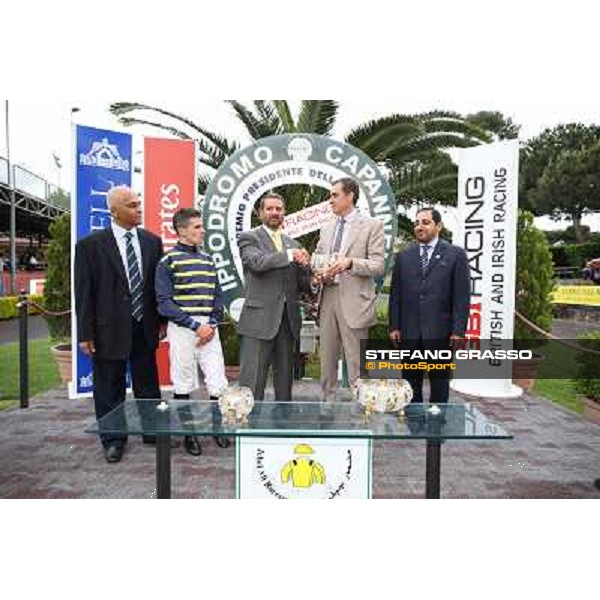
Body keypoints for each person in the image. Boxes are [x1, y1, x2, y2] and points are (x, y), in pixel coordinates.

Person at [74, 185, 164, 464]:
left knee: (148, 384)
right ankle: (113, 439)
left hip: (144, 325)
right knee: (109, 387)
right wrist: (86, 332)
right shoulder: (89, 246)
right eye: (132, 205)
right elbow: (84, 293)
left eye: (139, 203)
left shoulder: (152, 241)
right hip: (107, 329)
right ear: (114, 211)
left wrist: (160, 320)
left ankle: (153, 431)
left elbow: (156, 286)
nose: (139, 208)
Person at [155, 208, 230, 455]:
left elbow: (218, 297)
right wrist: (196, 326)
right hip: (183, 328)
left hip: (209, 327)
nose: (203, 230)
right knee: (183, 382)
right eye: (197, 226)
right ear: (182, 230)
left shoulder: (209, 260)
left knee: (217, 381)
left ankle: (218, 430)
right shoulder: (168, 261)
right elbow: (164, 302)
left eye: (202, 225)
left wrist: (211, 324)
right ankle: (189, 435)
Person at [388, 207, 470, 404]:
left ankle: (437, 430)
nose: (419, 227)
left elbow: (461, 297)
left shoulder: (455, 255)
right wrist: (394, 326)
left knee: (439, 385)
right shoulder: (404, 257)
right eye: (417, 223)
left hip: (441, 334)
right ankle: (413, 428)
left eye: (425, 222)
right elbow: (396, 294)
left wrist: (458, 331)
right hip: (409, 333)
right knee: (410, 385)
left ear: (438, 226)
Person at [314, 177, 385, 402]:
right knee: (326, 360)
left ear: (350, 195)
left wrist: (350, 263)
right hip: (328, 298)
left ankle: (361, 411)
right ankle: (328, 406)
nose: (330, 200)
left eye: (335, 195)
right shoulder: (326, 228)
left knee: (356, 363)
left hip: (355, 301)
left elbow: (378, 265)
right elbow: (317, 258)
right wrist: (318, 272)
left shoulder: (372, 226)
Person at [237, 192, 312, 405]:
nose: (274, 213)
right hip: (259, 320)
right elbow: (256, 263)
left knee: (285, 382)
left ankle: (282, 427)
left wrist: (309, 271)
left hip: (288, 321)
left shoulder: (293, 243)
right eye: (269, 209)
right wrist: (290, 255)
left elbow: (301, 284)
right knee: (253, 381)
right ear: (260, 213)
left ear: (284, 212)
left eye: (279, 209)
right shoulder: (248, 237)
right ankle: (248, 431)